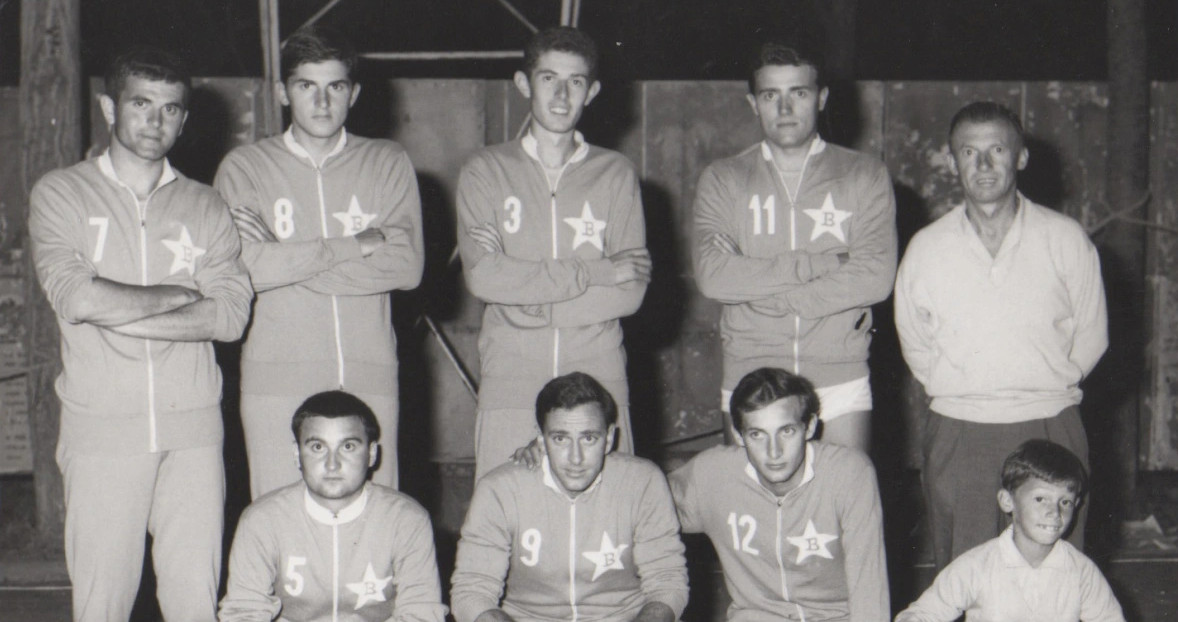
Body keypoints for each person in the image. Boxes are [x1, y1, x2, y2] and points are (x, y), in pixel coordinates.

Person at [27, 47, 252, 621]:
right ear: (109, 107)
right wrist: (178, 294)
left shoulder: (205, 204)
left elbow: (229, 317)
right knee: (102, 605)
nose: (155, 121)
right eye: (141, 104)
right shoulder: (62, 192)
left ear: (184, 118)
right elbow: (76, 297)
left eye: (170, 109)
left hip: (193, 434)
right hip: (102, 434)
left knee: (194, 603)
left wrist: (113, 310)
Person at [894, 101, 1107, 569]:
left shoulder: (1065, 238)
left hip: (1049, 421)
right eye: (969, 153)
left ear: (1021, 157)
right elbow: (916, 343)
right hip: (960, 428)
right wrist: (966, 389)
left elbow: (1092, 335)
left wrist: (1043, 383)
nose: (984, 165)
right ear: (952, 162)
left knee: (1055, 573)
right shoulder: (927, 248)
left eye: (997, 150)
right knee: (966, 573)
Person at [215, 25, 423, 496]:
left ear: (355, 94)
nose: (323, 102)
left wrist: (283, 255)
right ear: (282, 92)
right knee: (279, 517)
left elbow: (406, 268)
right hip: (276, 379)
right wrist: (352, 246)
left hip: (369, 373)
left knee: (375, 519)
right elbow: (246, 270)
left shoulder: (387, 161)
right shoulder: (245, 167)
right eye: (307, 86)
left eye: (336, 87)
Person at [456, 26, 651, 480]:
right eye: (549, 79)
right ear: (524, 84)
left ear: (592, 91)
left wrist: (525, 299)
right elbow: (484, 277)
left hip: (599, 370)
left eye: (575, 82)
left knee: (608, 507)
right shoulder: (486, 170)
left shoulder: (615, 173)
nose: (562, 96)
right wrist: (599, 271)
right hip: (511, 374)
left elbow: (630, 292)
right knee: (507, 502)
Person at [692, 42, 897, 452]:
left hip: (839, 373)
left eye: (798, 93)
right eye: (771, 95)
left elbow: (875, 277)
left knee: (843, 491)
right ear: (753, 103)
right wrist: (823, 263)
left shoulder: (864, 174)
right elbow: (714, 277)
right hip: (751, 371)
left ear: (821, 97)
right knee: (750, 493)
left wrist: (770, 297)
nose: (784, 108)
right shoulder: (724, 178)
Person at [450, 372, 688, 622]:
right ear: (541, 440)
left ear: (609, 439)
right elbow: (472, 591)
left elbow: (667, 581)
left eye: (589, 438)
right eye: (560, 438)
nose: (576, 458)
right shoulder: (499, 489)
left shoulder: (643, 482)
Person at [669, 367, 889, 621]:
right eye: (757, 434)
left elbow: (868, 588)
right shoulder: (713, 474)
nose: (774, 451)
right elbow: (643, 503)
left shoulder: (848, 473)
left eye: (787, 431)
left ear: (809, 427)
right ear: (738, 436)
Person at [219, 391, 448, 622]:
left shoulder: (407, 519)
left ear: (371, 454)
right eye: (317, 447)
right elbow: (243, 612)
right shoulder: (262, 520)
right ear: (297, 454)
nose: (332, 464)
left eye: (348, 446)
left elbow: (421, 613)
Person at [895, 440, 1124, 621]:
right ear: (1007, 501)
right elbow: (923, 614)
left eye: (1065, 502)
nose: (1054, 512)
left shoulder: (1081, 571)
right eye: (1040, 499)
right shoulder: (977, 566)